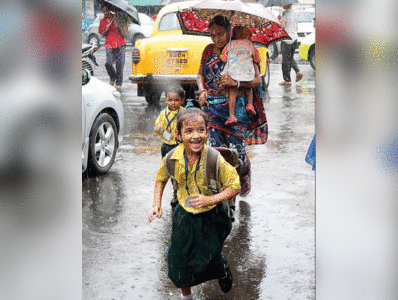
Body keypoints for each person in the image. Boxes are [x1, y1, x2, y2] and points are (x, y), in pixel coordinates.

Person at [148, 108, 241, 299]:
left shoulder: (214, 158)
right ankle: (187, 297)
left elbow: (235, 185)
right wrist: (156, 203)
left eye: (200, 130)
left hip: (213, 215)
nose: (195, 136)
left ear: (207, 132)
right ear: (179, 135)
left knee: (209, 257)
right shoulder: (171, 158)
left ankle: (221, 268)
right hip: (183, 212)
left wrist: (210, 199)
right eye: (188, 131)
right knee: (178, 262)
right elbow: (161, 178)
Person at [197, 15, 268, 197]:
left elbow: (257, 80)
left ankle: (243, 177)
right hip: (211, 108)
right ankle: (221, 193)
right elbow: (200, 76)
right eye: (212, 35)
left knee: (237, 154)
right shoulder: (207, 51)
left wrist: (236, 84)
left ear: (230, 31)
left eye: (220, 34)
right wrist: (201, 91)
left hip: (235, 110)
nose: (216, 39)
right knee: (213, 151)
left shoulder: (241, 49)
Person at [220, 26, 261, 126]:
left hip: (234, 74)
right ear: (247, 35)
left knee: (232, 93)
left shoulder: (230, 44)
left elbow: (223, 58)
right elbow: (257, 58)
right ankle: (250, 104)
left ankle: (232, 116)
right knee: (249, 86)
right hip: (247, 73)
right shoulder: (250, 44)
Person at [98, 4, 126, 92]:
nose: (105, 13)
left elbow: (125, 33)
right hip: (109, 44)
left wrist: (119, 27)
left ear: (110, 10)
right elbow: (102, 33)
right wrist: (106, 30)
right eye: (104, 11)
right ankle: (112, 77)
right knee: (108, 63)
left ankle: (118, 83)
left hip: (120, 43)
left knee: (120, 65)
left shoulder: (117, 18)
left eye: (106, 10)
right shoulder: (102, 21)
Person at [153, 84, 185, 157]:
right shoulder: (162, 114)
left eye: (176, 100)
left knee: (178, 165)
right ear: (166, 100)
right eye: (170, 100)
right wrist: (157, 129)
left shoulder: (184, 113)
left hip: (179, 145)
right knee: (165, 164)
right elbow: (156, 126)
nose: (173, 103)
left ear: (182, 100)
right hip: (166, 145)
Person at [278, 4, 303, 85]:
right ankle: (298, 72)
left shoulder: (285, 13)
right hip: (294, 38)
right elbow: (296, 27)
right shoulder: (295, 13)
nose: (282, 5)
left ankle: (287, 80)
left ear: (287, 5)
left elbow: (282, 26)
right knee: (290, 58)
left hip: (286, 39)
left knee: (285, 60)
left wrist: (278, 20)